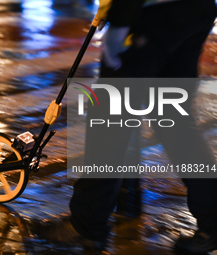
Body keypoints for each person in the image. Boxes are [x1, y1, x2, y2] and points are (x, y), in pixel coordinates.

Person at [33, 0, 217, 254]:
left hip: (151, 16)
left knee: (110, 120)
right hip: (195, 9)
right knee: (173, 117)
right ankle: (213, 220)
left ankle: (85, 224)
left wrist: (120, 23)